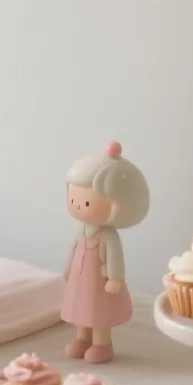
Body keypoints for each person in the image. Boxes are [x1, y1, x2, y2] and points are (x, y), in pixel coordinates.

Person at [60, 141, 150, 363]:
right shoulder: (82, 230)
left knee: (98, 312)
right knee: (81, 309)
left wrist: (115, 278)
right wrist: (68, 267)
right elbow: (74, 249)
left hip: (100, 282)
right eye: (73, 200)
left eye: (86, 202)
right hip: (81, 279)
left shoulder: (108, 236)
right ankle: (82, 338)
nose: (77, 205)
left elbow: (115, 257)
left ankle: (102, 344)